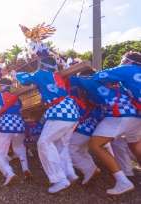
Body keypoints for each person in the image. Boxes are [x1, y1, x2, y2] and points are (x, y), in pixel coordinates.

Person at [16, 56, 80, 193]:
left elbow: (24, 80)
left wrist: (17, 73)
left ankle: (59, 180)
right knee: (60, 145)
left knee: (43, 143)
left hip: (59, 112)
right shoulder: (56, 75)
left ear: (41, 65)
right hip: (72, 111)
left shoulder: (40, 73)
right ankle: (69, 173)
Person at [88, 51, 141, 195]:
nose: (121, 62)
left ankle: (123, 182)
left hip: (133, 114)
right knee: (135, 144)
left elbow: (98, 76)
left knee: (95, 144)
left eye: (123, 60)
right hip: (138, 115)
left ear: (128, 61)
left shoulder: (126, 69)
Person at [0, 78, 30, 186]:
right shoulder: (17, 98)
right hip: (19, 124)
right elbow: (20, 109)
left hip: (5, 125)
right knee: (19, 147)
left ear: (1, 86)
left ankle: (9, 173)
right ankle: (25, 169)